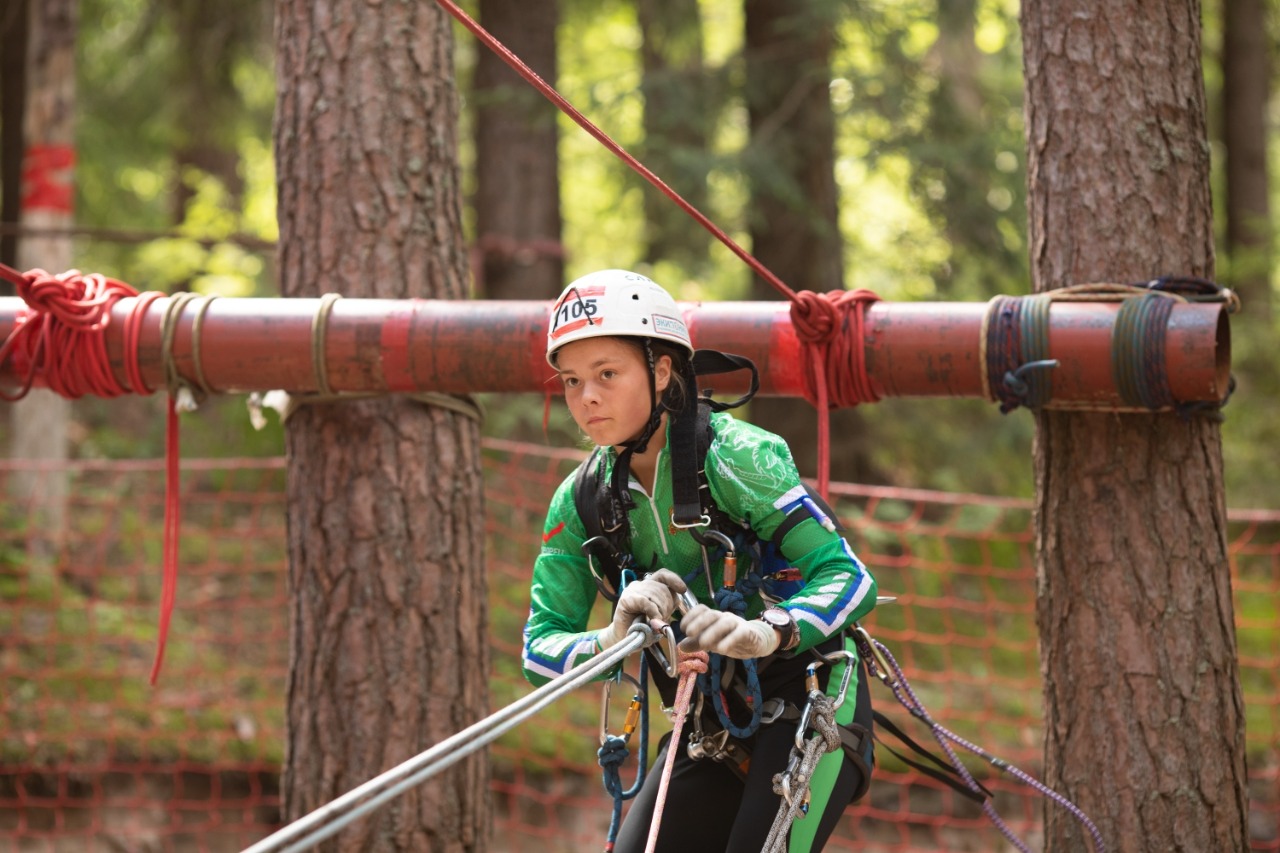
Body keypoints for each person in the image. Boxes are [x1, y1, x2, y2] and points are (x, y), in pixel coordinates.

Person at [522, 269, 878, 852]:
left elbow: (849, 577)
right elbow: (538, 649)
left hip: (811, 690)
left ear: (662, 370)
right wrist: (611, 638)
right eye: (570, 380)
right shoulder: (580, 499)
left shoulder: (740, 457)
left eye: (607, 374)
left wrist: (768, 632)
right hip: (705, 720)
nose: (586, 398)